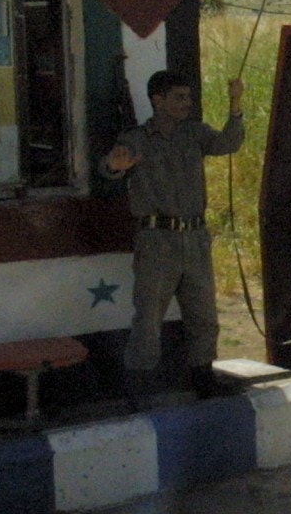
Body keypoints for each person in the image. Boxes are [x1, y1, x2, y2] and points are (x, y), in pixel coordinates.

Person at [99, 69, 246, 402]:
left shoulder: (194, 133)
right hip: (157, 239)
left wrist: (235, 104)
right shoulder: (136, 139)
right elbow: (108, 168)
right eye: (179, 97)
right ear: (158, 100)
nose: (186, 103)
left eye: (188, 97)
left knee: (203, 313)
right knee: (149, 315)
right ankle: (141, 384)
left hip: (194, 237)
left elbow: (228, 142)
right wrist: (113, 164)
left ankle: (203, 376)